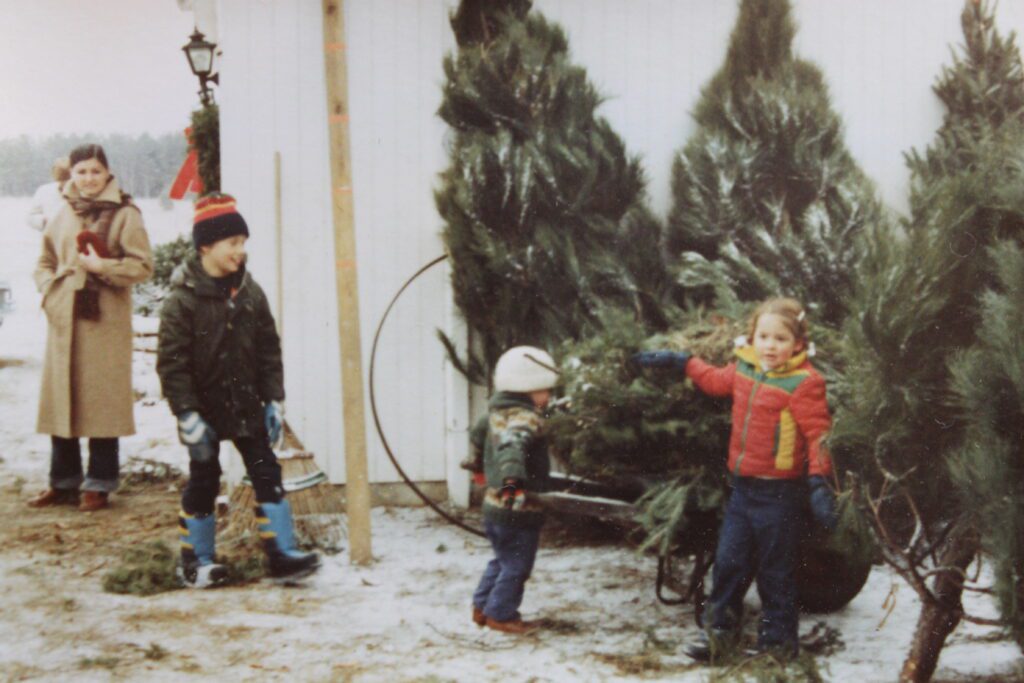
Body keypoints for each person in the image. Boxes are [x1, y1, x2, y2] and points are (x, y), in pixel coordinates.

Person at [632, 297, 838, 661]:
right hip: (743, 490)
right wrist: (684, 363)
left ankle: (777, 645)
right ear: (752, 338)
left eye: (780, 339)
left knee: (775, 572)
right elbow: (713, 381)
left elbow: (818, 436)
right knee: (729, 563)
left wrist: (819, 481)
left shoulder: (804, 383)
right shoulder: (744, 367)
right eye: (763, 336)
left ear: (798, 344)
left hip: (780, 494)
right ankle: (719, 637)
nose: (770, 346)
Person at [156, 193, 319, 588]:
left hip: (246, 405)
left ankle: (281, 556)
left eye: (243, 243)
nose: (240, 251)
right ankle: (198, 561)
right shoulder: (183, 301)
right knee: (204, 478)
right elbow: (172, 363)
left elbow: (268, 349)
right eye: (232, 243)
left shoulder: (249, 292)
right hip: (204, 409)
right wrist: (186, 413)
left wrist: (274, 399)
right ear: (206, 246)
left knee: (266, 471)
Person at [28, 144, 154, 512]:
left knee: (101, 402)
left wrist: (103, 269)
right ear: (71, 174)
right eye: (81, 172)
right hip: (65, 320)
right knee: (61, 398)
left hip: (105, 318)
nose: (88, 179)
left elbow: (143, 266)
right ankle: (63, 482)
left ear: (107, 174)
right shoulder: (63, 211)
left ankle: (99, 483)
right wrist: (51, 290)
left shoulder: (125, 214)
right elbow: (44, 260)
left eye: (95, 171)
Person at [470, 345, 559, 634]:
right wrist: (512, 487)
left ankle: (482, 607)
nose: (548, 397)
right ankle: (502, 615)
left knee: (502, 558)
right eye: (545, 390)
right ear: (529, 390)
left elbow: (477, 437)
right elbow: (511, 450)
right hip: (516, 508)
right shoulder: (525, 418)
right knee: (517, 565)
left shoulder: (495, 413)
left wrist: (478, 468)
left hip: (493, 507)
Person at [27, 157, 72, 232]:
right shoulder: (44, 190)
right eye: (60, 179)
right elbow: (30, 217)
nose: (64, 184)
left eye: (67, 179)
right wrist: (44, 221)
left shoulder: (82, 191)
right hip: (49, 238)